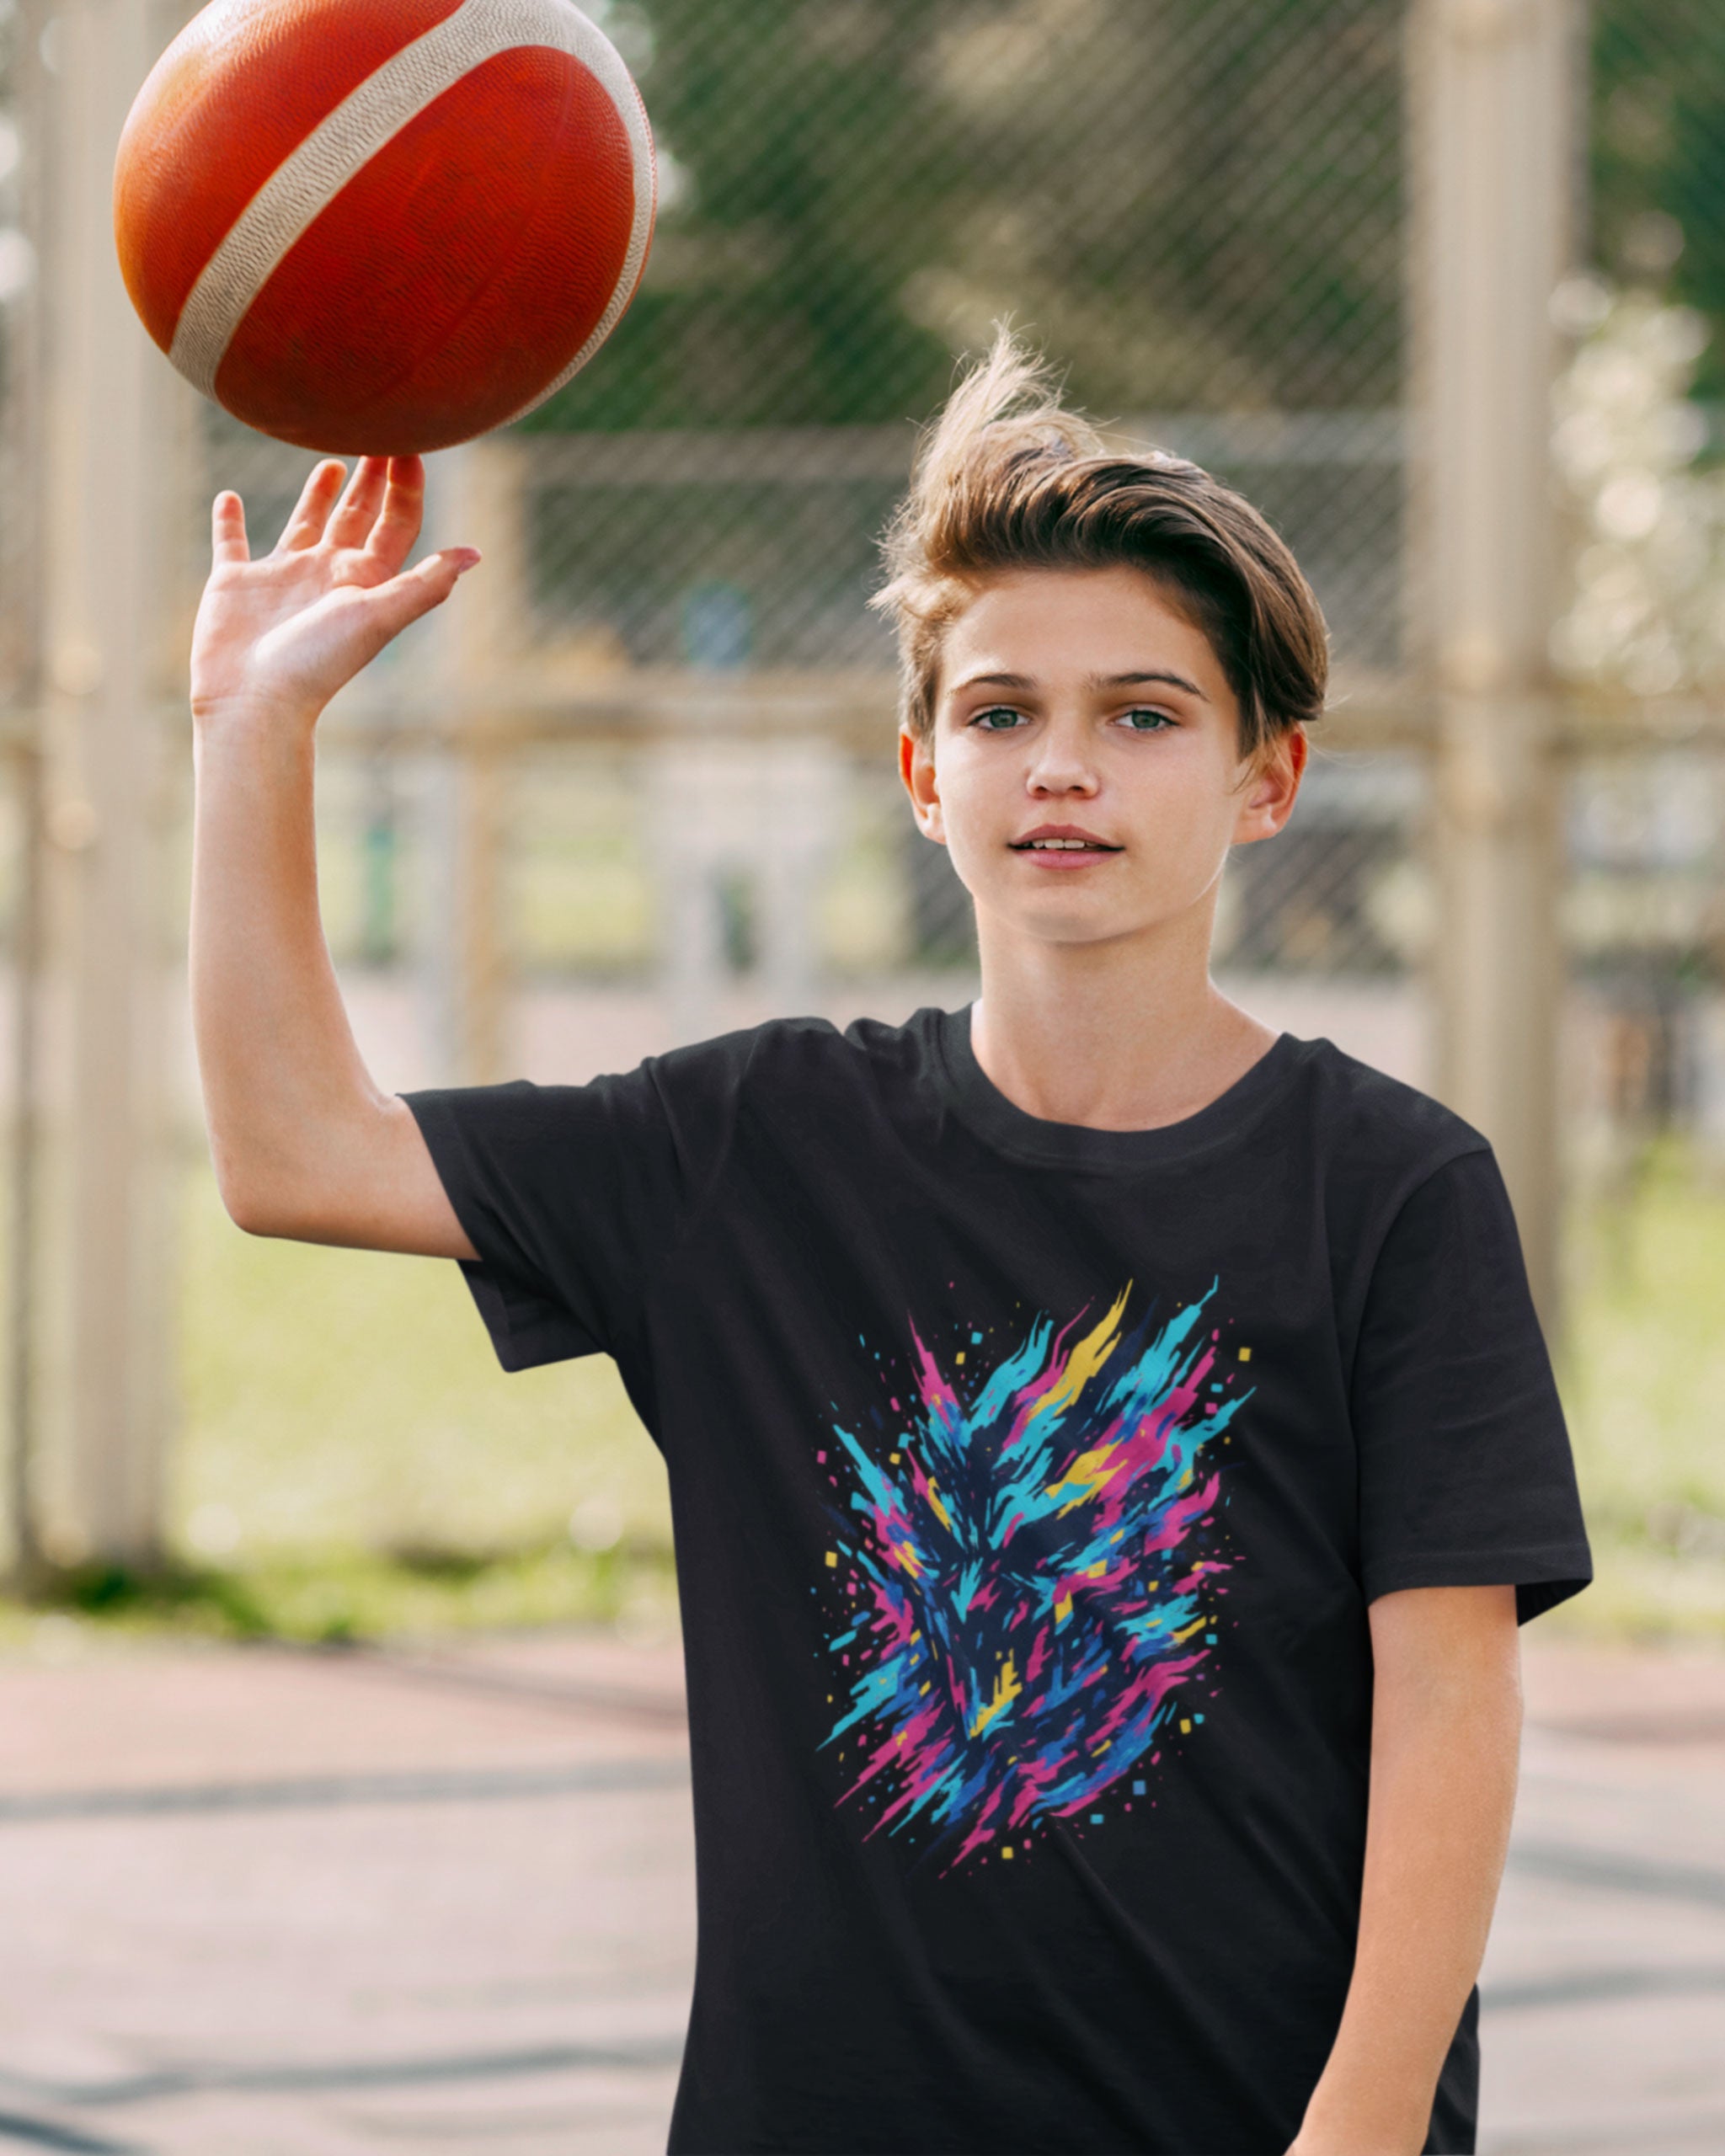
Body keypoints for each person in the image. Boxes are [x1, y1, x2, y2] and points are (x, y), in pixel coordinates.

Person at [189, 333, 1592, 2156]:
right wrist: (250, 730)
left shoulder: (1390, 1186)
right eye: (1003, 712)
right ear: (925, 774)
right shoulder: (751, 1146)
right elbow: (295, 1151)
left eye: (1143, 713)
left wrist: (1367, 2116)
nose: (1062, 766)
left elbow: (1451, 1695)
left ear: (1269, 777)